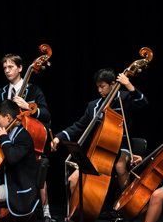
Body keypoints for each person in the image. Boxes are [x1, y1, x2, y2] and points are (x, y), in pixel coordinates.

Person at [51, 68, 148, 210]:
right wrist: (58, 137)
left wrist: (128, 85)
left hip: (122, 147)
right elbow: (78, 126)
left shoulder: (124, 99)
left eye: (102, 86)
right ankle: (80, 218)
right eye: (98, 87)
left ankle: (128, 203)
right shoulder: (94, 106)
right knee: (73, 180)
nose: (99, 90)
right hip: (100, 151)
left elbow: (143, 103)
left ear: (113, 84)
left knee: (120, 166)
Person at [0, 53, 53, 222]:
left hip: (30, 140)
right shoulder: (1, 93)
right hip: (9, 141)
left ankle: (46, 214)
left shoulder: (34, 90)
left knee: (39, 175)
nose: (7, 70)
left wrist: (27, 107)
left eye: (11, 67)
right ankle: (7, 213)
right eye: (5, 68)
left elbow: (46, 115)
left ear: (21, 68)